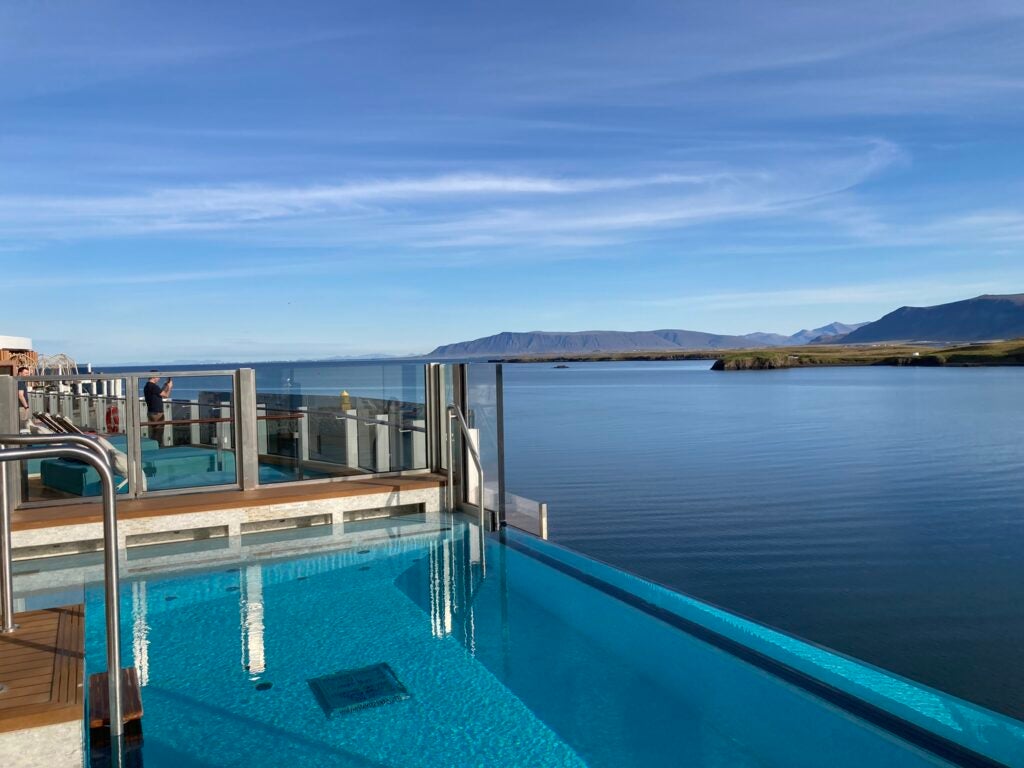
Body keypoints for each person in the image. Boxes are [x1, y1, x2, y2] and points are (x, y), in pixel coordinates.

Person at [144, 373, 173, 445]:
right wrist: (170, 387)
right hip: (157, 413)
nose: (159, 379)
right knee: (158, 433)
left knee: (154, 432)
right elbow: (166, 395)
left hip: (151, 412)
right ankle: (158, 447)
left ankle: (153, 446)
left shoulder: (147, 386)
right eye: (158, 377)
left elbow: (160, 393)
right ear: (154, 377)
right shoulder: (153, 386)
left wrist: (165, 386)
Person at [16, 366, 31, 431]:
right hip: (22, 407)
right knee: (23, 425)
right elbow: (20, 395)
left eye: (28, 373)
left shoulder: (17, 381)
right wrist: (26, 407)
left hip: (19, 406)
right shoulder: (20, 382)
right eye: (26, 373)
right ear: (20, 373)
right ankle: (23, 439)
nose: (27, 375)